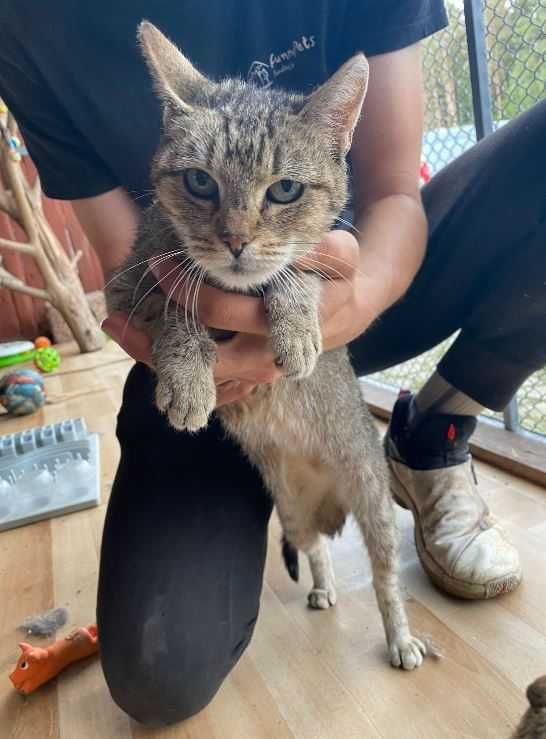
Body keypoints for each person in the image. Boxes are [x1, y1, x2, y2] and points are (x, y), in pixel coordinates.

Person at [1, 0, 544, 726]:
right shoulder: (30, 24)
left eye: (274, 193)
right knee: (158, 677)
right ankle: (262, 491)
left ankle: (434, 432)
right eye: (204, 188)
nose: (236, 230)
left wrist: (341, 299)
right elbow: (129, 277)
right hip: (206, 352)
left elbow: (390, 189)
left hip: (354, 274)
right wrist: (190, 349)